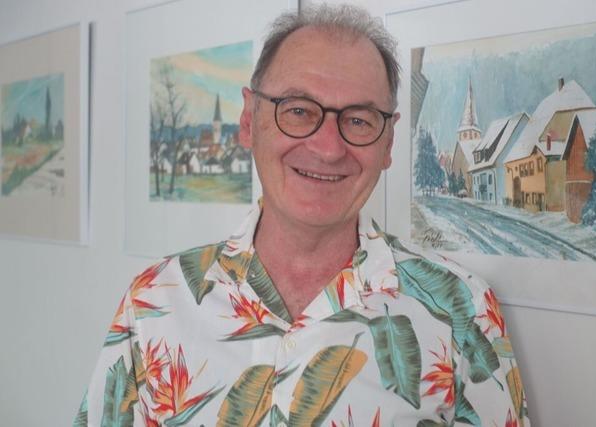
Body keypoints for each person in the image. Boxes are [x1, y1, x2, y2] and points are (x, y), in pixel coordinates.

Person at [75, 4, 529, 426]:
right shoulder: (154, 302)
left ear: (388, 143)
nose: (328, 148)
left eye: (358, 120)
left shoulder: (464, 313)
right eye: (297, 111)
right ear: (248, 121)